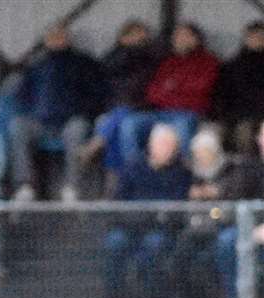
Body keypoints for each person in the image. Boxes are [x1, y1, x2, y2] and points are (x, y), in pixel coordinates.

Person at [101, 123, 191, 298]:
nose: (165, 148)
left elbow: (175, 209)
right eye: (161, 143)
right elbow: (119, 202)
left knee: (155, 246)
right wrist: (147, 215)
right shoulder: (133, 167)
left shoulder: (181, 172)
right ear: (151, 144)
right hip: (131, 227)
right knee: (114, 243)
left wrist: (151, 215)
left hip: (162, 231)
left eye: (170, 144)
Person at [8, 22, 105, 202]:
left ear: (68, 38)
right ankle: (25, 186)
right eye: (51, 37)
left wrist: (81, 111)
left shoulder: (83, 63)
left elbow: (97, 95)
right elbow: (21, 96)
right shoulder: (37, 66)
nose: (56, 40)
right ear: (45, 40)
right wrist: (33, 111)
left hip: (70, 121)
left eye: (60, 36)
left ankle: (72, 187)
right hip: (41, 123)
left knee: (76, 130)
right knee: (17, 126)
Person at [121, 23, 219, 167]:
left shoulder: (208, 61)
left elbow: (201, 89)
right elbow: (152, 93)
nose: (178, 39)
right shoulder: (168, 62)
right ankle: (135, 172)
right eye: (176, 36)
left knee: (182, 127)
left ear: (195, 39)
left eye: (184, 35)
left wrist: (172, 88)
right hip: (160, 112)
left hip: (189, 113)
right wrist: (176, 90)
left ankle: (184, 174)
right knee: (130, 124)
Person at [79, 20, 160, 191]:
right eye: (133, 34)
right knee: (114, 125)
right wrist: (126, 50)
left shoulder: (151, 56)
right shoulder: (115, 56)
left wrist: (137, 50)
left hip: (144, 107)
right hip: (116, 107)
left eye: (141, 34)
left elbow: (145, 85)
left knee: (121, 122)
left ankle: (99, 148)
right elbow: (105, 76)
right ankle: (115, 183)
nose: (138, 38)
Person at [170, 129, 239, 298]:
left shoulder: (229, 171)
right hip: (194, 229)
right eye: (198, 153)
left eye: (205, 152)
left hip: (219, 228)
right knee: (180, 253)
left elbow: (232, 205)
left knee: (213, 255)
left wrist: (214, 200)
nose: (201, 157)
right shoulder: (189, 173)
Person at [216, 120, 264, 298]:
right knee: (227, 240)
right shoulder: (246, 168)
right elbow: (232, 205)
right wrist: (251, 228)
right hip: (250, 231)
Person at [215, 21, 264, 156]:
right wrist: (222, 112)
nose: (256, 40)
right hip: (233, 112)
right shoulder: (233, 64)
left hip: (256, 114)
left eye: (260, 37)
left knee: (244, 132)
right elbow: (222, 91)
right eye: (252, 36)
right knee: (215, 132)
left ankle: (246, 167)